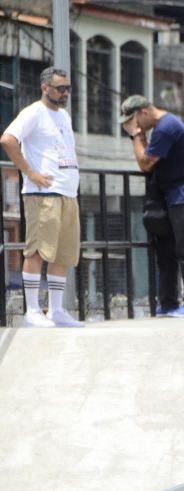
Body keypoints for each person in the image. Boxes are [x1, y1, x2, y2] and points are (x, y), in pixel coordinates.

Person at [0, 66, 83, 328]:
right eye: (61, 88)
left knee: (63, 252)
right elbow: (8, 139)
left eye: (68, 88)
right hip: (43, 192)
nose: (65, 93)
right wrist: (29, 172)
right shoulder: (34, 112)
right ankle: (32, 311)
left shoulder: (64, 116)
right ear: (45, 88)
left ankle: (56, 310)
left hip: (67, 192)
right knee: (36, 250)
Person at [120, 95, 184, 318]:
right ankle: (168, 303)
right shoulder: (161, 128)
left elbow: (145, 163)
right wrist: (141, 135)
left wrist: (136, 135)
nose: (136, 126)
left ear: (144, 113)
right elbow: (150, 159)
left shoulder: (166, 128)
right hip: (171, 195)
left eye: (135, 121)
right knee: (166, 252)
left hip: (183, 195)